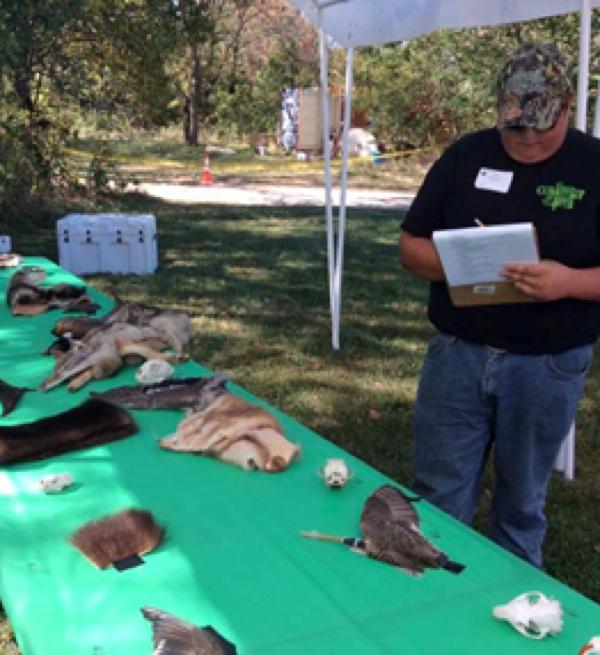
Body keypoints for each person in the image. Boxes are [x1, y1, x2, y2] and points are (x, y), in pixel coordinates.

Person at [399, 42, 600, 568]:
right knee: (438, 494)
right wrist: (464, 262)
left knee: (521, 503)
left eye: (542, 123)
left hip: (547, 363)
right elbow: (410, 246)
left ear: (569, 102)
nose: (529, 136)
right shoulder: (466, 156)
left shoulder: (596, 166)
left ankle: (513, 614)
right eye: (516, 124)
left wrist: (568, 282)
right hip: (458, 354)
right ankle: (431, 609)